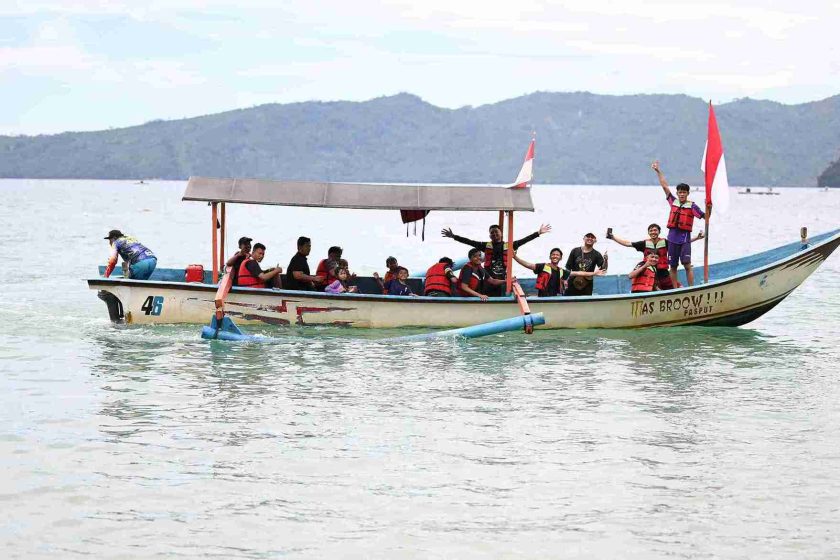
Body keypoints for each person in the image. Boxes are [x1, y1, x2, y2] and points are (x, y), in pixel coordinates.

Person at [442, 222, 552, 296]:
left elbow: (525, 240)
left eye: (496, 232)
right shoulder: (485, 245)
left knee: (499, 294)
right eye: (492, 233)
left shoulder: (510, 245)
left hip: (501, 279)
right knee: (487, 295)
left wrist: (538, 233)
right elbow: (469, 241)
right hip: (488, 278)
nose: (494, 234)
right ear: (490, 236)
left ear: (501, 234)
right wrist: (454, 236)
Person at [652, 160, 710, 287]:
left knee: (687, 265)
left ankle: (690, 288)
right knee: (673, 266)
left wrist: (708, 206)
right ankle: (675, 288)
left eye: (684, 192)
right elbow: (664, 186)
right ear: (677, 193)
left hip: (684, 239)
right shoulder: (673, 201)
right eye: (680, 192)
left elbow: (706, 217)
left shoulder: (692, 206)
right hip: (672, 238)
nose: (682, 194)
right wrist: (658, 171)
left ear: (688, 193)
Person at [608, 224, 704, 290]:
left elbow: (680, 243)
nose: (653, 232)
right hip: (649, 274)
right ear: (648, 233)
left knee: (679, 288)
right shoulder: (644, 243)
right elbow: (627, 243)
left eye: (655, 230)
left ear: (659, 232)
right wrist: (613, 237)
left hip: (664, 274)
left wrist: (697, 237)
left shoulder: (665, 242)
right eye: (651, 230)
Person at [514, 247, 605, 297]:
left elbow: (579, 273)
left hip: (554, 299)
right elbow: (528, 265)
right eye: (553, 254)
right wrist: (515, 257)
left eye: (557, 255)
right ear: (550, 257)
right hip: (543, 298)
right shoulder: (543, 267)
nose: (555, 256)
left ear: (560, 258)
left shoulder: (561, 271)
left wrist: (594, 273)